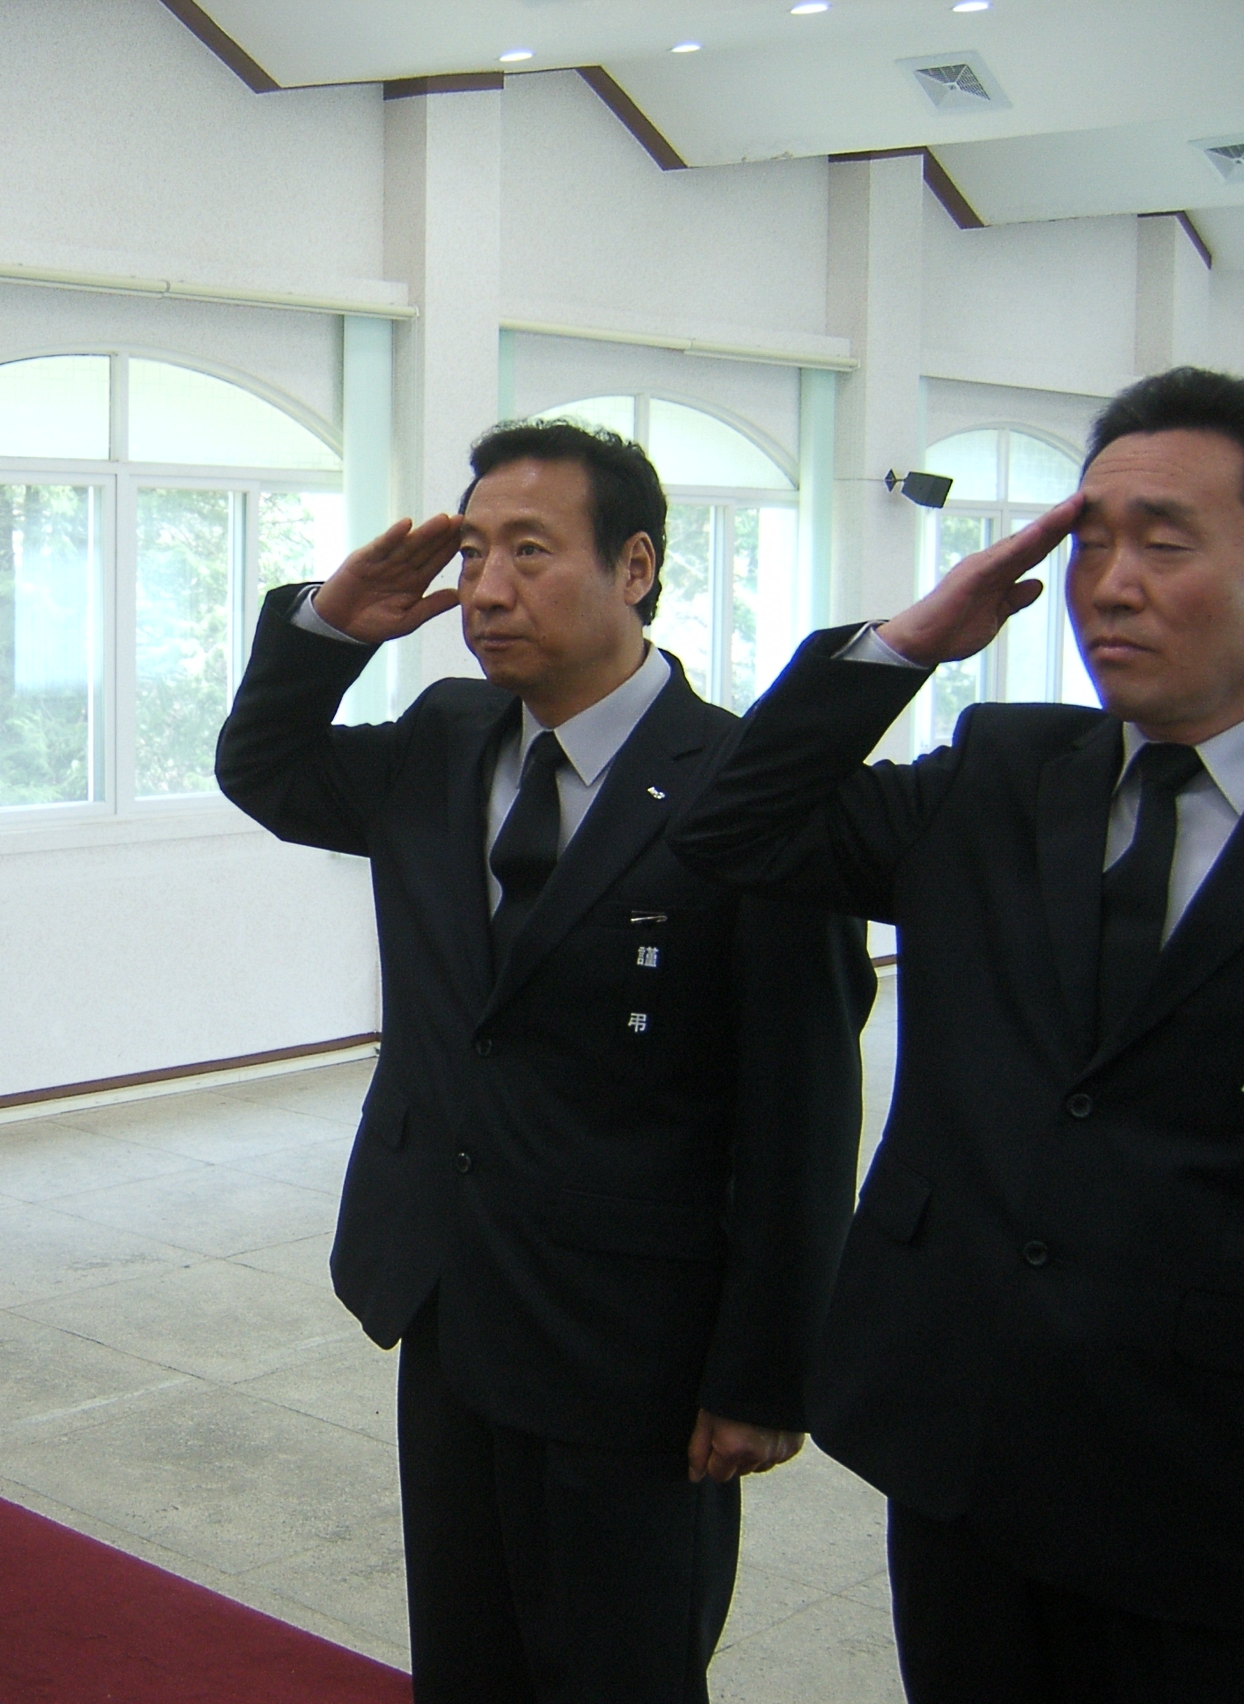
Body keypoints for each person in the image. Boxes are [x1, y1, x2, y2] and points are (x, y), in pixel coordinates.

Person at [216, 420, 874, 1704]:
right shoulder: (445, 736)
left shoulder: (744, 785)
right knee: (468, 1661)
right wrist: (329, 629)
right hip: (446, 1291)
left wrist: (762, 1374)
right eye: (471, 554)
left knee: (618, 1671)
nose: (486, 589)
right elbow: (266, 769)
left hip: (634, 1345)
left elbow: (800, 1109)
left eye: (529, 551)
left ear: (635, 566)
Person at [668, 366, 1244, 1701]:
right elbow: (731, 830)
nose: (1110, 586)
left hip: (1203, 1476)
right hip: (960, 1437)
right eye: (1089, 542)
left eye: (1164, 544)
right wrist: (908, 643)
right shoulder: (1002, 774)